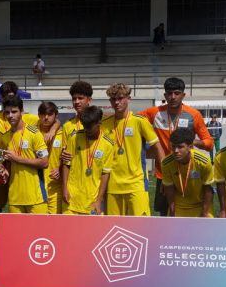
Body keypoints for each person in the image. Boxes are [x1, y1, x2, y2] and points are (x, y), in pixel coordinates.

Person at [140, 77, 213, 216]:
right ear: (165, 95)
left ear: (183, 95)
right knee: (165, 213)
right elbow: (132, 121)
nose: (173, 97)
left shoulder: (193, 115)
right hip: (163, 172)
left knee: (192, 210)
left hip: (188, 171)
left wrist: (191, 142)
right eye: (169, 93)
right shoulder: (154, 113)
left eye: (177, 93)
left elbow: (209, 142)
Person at [102, 83, 164, 216]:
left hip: (136, 184)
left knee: (141, 228)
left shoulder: (140, 121)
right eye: (113, 99)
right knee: (114, 228)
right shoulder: (104, 124)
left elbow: (157, 148)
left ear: (128, 99)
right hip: (112, 186)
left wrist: (165, 176)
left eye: (120, 98)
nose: (117, 102)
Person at [0, 95, 50, 214]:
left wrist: (17, 159)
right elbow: (7, 162)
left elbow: (44, 162)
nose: (10, 115)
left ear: (22, 112)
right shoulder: (4, 137)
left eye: (14, 111)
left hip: (36, 197)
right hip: (15, 197)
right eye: (7, 112)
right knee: (17, 233)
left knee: (39, 232)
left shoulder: (34, 133)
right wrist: (5, 170)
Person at [62, 106, 114, 215]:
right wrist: (65, 188)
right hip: (71, 199)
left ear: (99, 123)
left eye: (90, 127)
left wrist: (99, 199)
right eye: (84, 126)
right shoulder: (74, 137)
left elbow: (105, 174)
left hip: (92, 201)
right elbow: (67, 164)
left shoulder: (108, 144)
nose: (86, 129)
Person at [161, 129, 214, 218]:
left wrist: (204, 213)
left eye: (180, 147)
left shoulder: (203, 162)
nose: (176, 150)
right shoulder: (166, 163)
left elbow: (208, 189)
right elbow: (169, 189)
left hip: (200, 205)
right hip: (179, 206)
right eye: (173, 147)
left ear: (190, 147)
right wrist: (172, 211)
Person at [37, 101, 63, 214]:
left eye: (50, 114)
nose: (46, 117)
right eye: (43, 114)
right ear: (38, 115)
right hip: (37, 185)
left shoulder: (63, 134)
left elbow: (67, 156)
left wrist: (59, 168)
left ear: (56, 116)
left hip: (55, 186)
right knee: (37, 223)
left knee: (54, 222)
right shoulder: (33, 132)